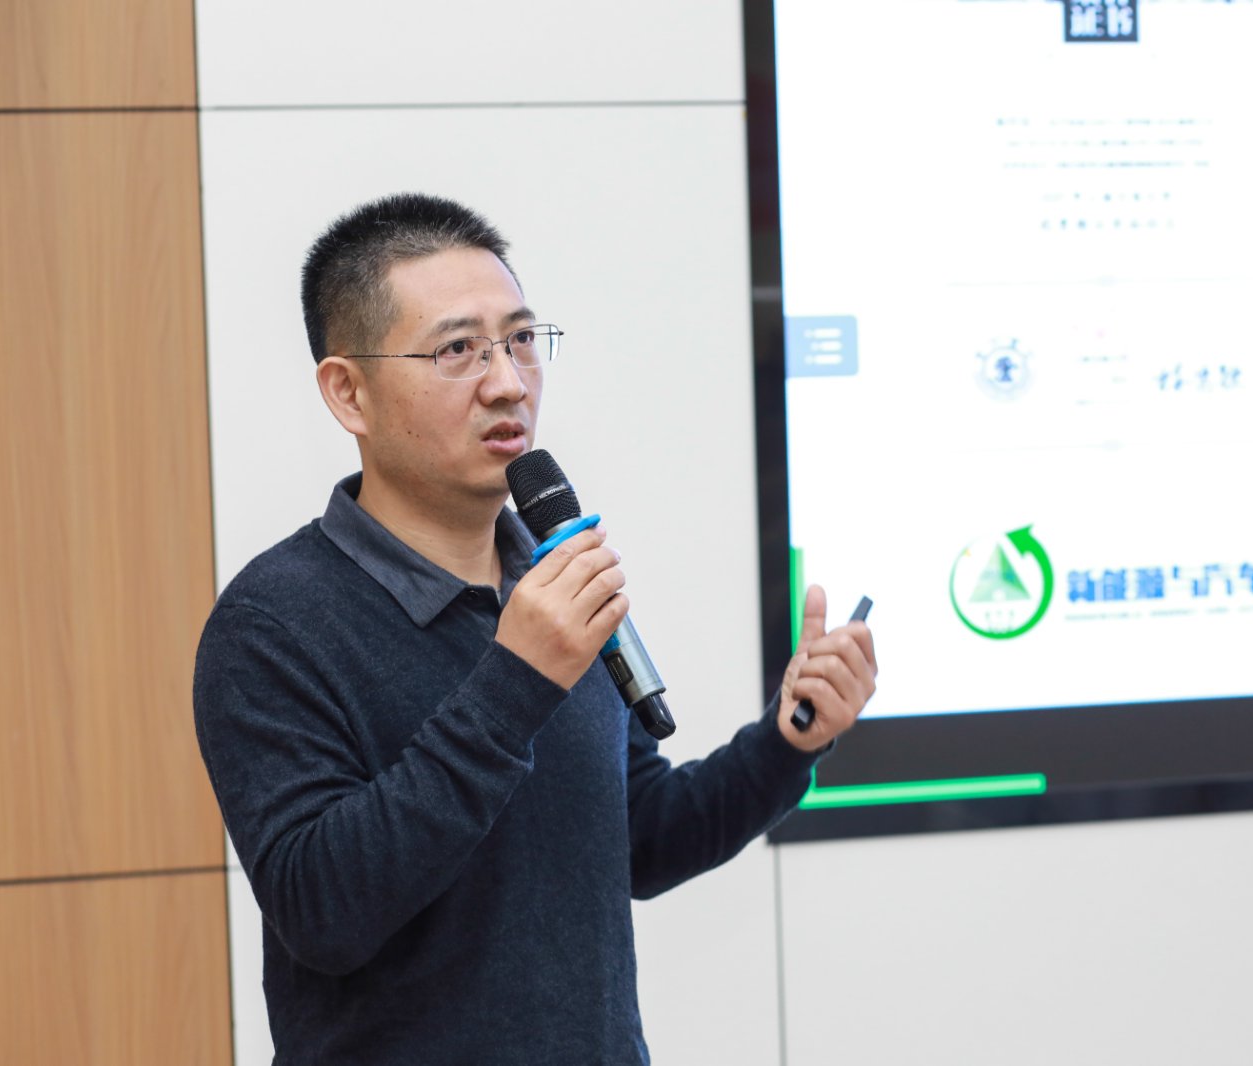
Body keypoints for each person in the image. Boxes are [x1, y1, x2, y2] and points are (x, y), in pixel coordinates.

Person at [192, 192, 877, 1064]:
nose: (509, 382)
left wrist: (787, 742)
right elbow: (324, 913)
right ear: (348, 391)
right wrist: (515, 681)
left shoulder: (551, 575)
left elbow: (639, 837)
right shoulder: (272, 624)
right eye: (457, 350)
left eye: (520, 340)